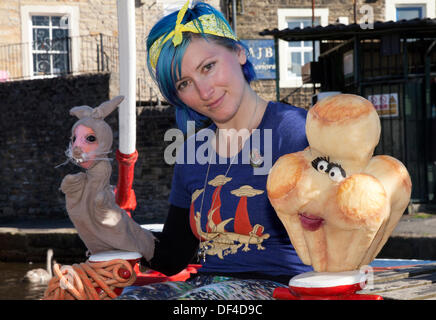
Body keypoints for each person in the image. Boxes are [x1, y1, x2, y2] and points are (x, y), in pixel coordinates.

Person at [118, 1, 312, 300]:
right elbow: (173, 256)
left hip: (286, 288)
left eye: (208, 66)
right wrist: (112, 228)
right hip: (206, 286)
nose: (205, 92)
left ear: (238, 52)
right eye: (185, 83)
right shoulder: (191, 152)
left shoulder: (298, 132)